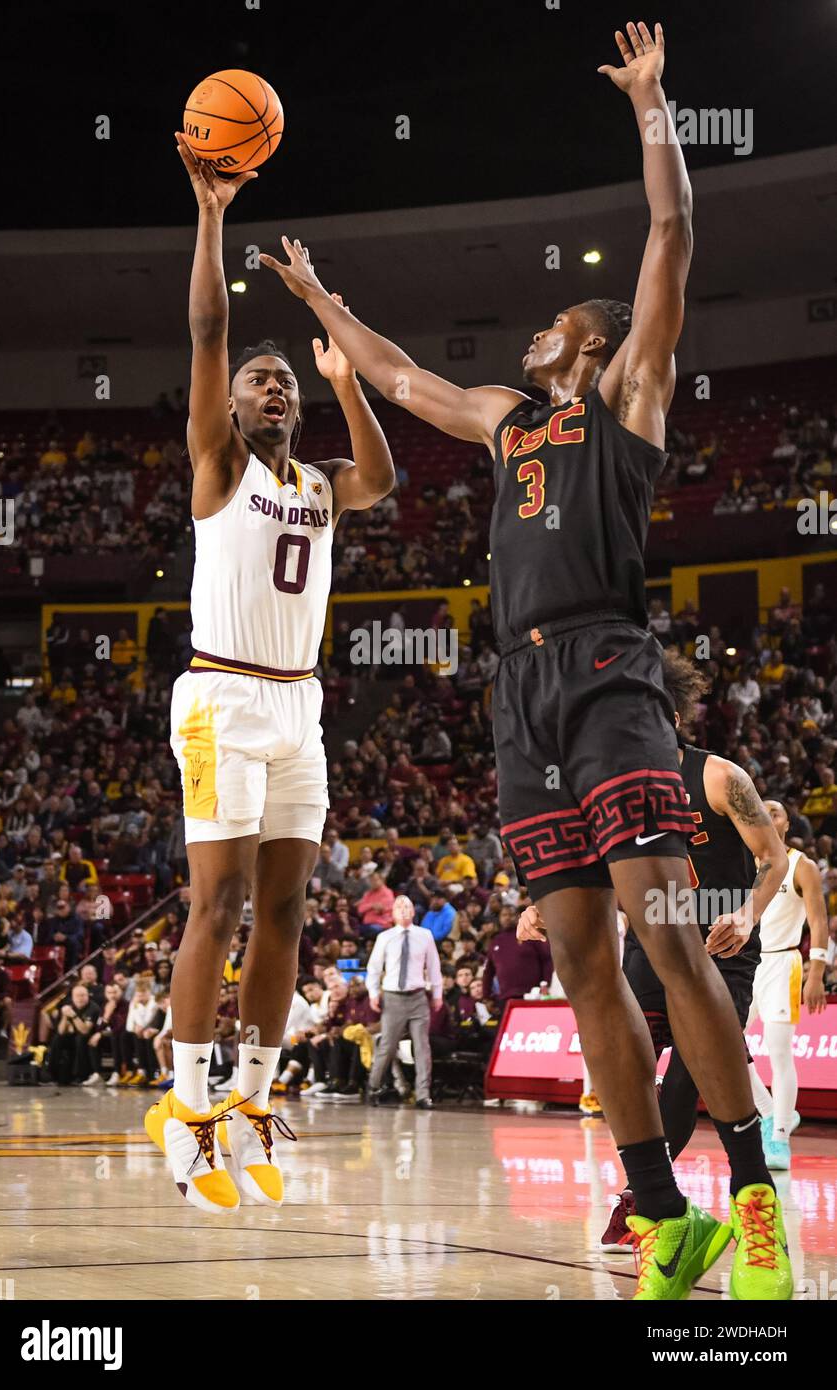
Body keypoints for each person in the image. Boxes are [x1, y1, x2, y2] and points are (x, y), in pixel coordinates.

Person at [260, 20, 790, 1300]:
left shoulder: (629, 401)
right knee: (581, 956)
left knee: (664, 938)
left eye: (554, 325)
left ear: (595, 345)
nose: (533, 337)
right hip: (521, 697)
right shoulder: (508, 423)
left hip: (609, 674)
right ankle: (666, 1215)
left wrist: (652, 104)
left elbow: (670, 240)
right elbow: (395, 375)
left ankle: (758, 1198)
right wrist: (319, 298)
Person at [144, 132, 396, 1216]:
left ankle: (252, 1097)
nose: (270, 386)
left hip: (299, 705)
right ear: (233, 407)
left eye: (283, 379)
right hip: (220, 697)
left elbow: (381, 480)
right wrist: (209, 216)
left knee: (288, 909)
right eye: (261, 379)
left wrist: (346, 382)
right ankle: (185, 1103)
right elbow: (209, 327)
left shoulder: (321, 481)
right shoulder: (217, 464)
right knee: (220, 902)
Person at [599, 652, 788, 1253]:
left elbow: (775, 857)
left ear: (671, 715)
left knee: (688, 1079)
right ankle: (653, 1196)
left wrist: (748, 910)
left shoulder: (718, 776)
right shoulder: (618, 787)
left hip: (723, 945)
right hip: (654, 943)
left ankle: (652, 1200)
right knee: (629, 1068)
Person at [746, 800, 830, 1169]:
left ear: (785, 823)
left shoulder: (802, 865)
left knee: (779, 1052)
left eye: (775, 811)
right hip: (745, 964)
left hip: (784, 961)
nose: (767, 814)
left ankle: (779, 1136)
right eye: (761, 809)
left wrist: (816, 973)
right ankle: (770, 1112)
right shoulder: (742, 863)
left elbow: (820, 921)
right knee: (726, 1043)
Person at [366, 894, 442, 1108]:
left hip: (418, 995)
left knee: (422, 1047)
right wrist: (373, 993)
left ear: (413, 910)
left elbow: (434, 966)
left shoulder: (425, 935)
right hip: (393, 997)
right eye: (399, 906)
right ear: (392, 913)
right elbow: (374, 967)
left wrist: (437, 994)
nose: (404, 909)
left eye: (407, 905)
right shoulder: (385, 937)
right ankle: (373, 1086)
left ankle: (423, 1094)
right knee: (388, 1046)